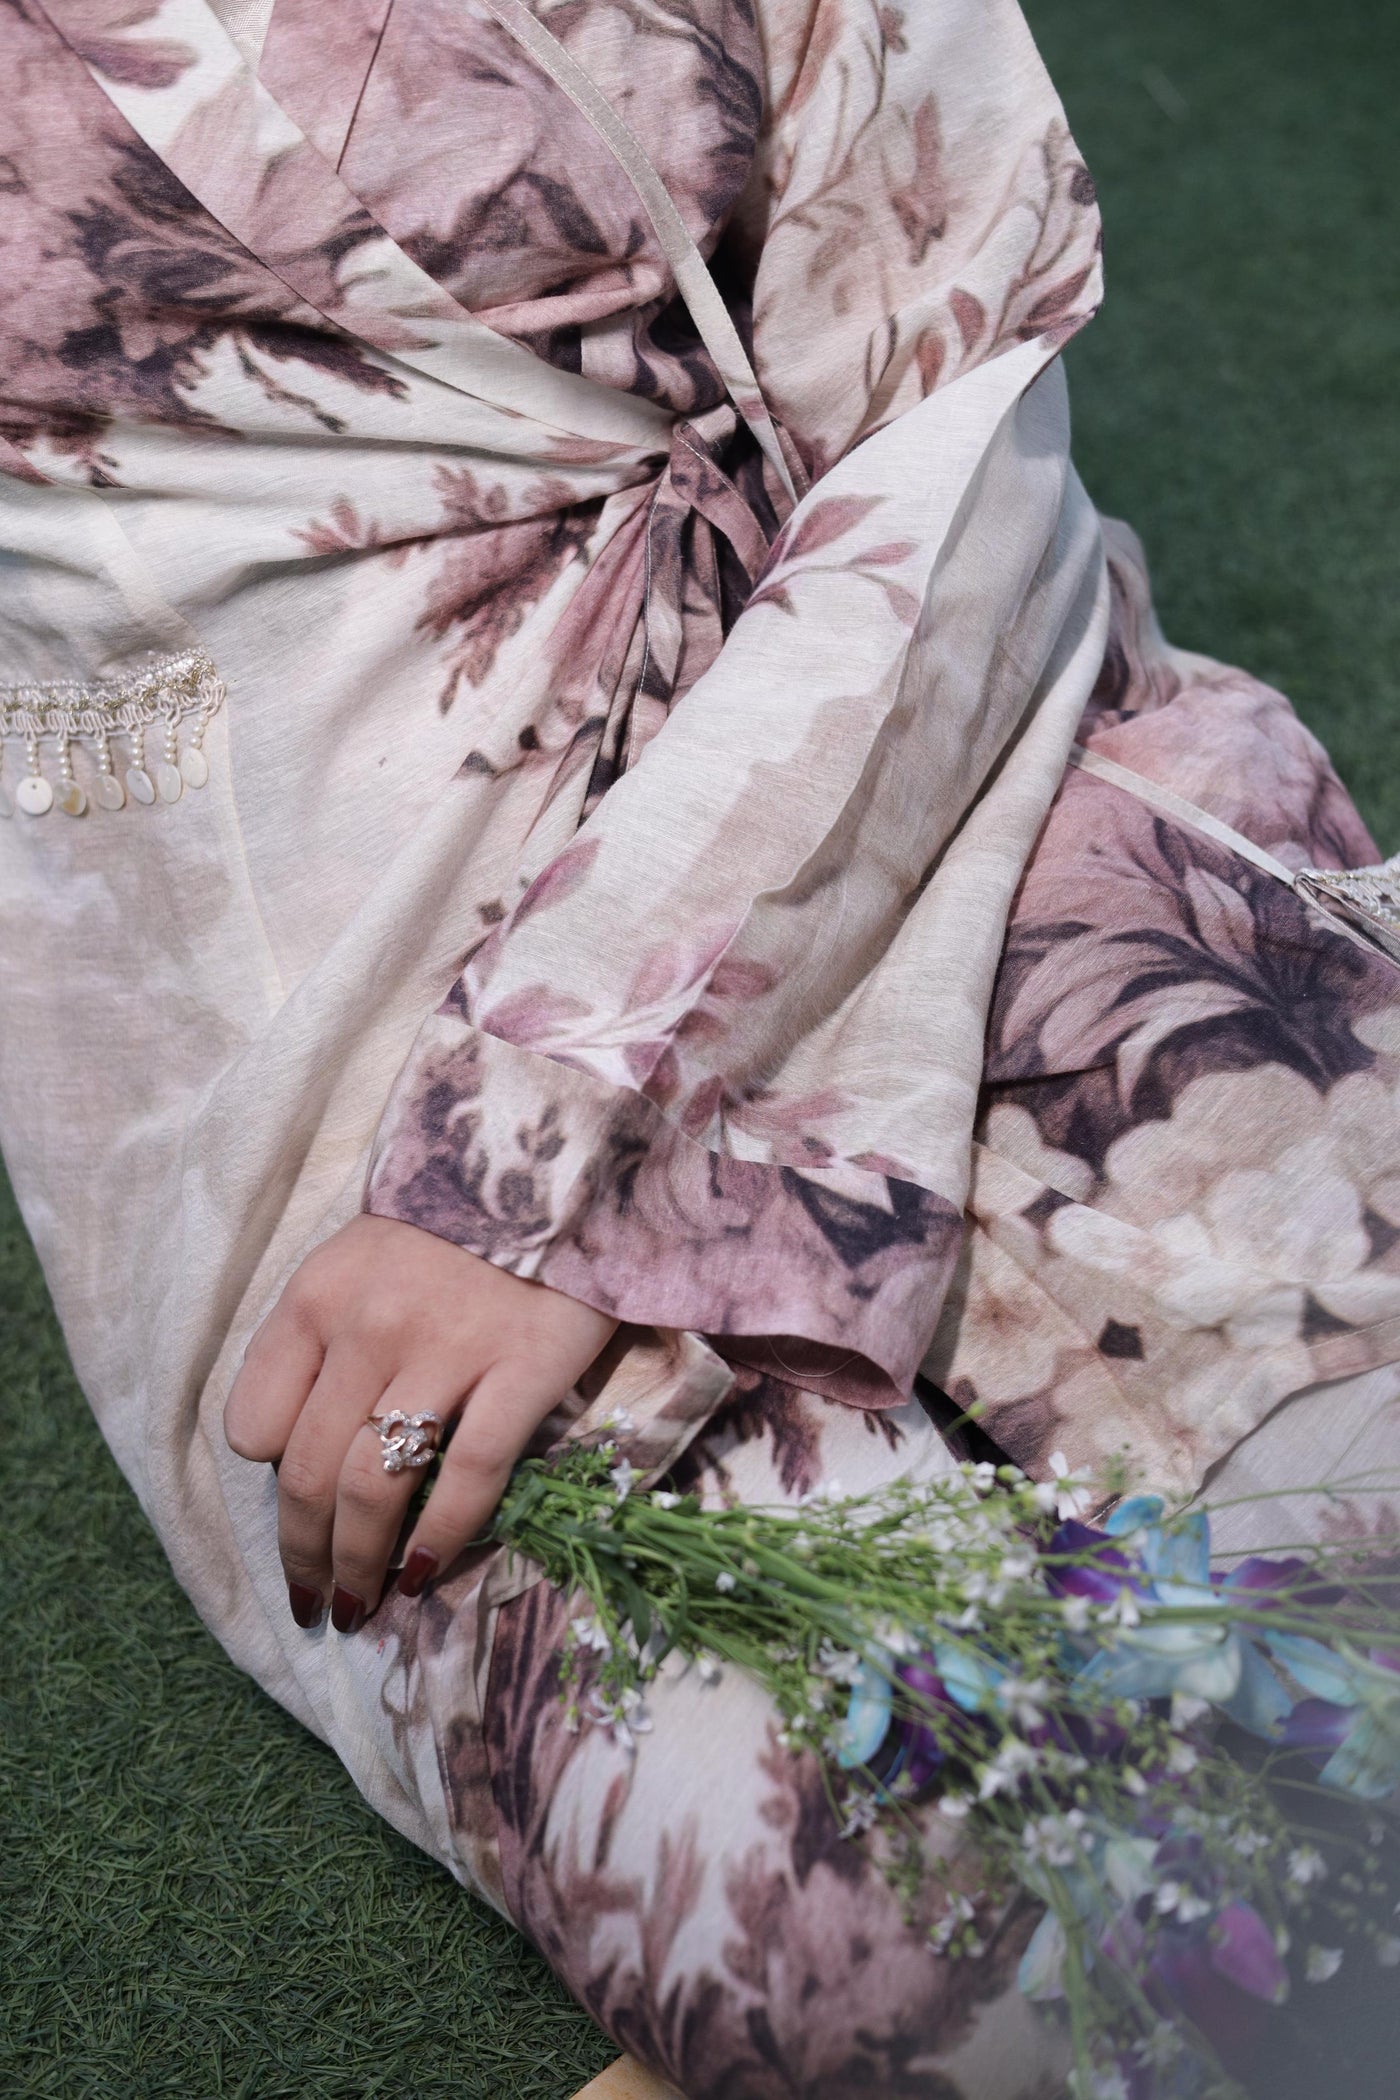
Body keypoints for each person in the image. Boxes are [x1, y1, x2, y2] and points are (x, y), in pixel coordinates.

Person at [2, 2, 1397, 2091]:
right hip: (323, 1032)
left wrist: (559, 1138)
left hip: (954, 754)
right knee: (923, 1954)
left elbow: (949, 394)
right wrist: (477, 1191)